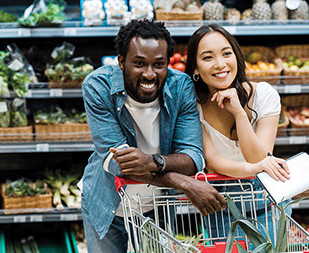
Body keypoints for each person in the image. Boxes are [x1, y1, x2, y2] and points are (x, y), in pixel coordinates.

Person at [80, 19, 227, 253]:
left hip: (157, 205)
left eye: (159, 64)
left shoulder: (181, 87)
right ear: (121, 62)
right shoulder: (98, 86)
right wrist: (182, 181)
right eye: (139, 63)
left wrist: (151, 162)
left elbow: (193, 156)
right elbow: (115, 163)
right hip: (106, 201)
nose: (149, 74)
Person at [185, 24, 292, 242]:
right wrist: (254, 168)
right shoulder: (192, 106)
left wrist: (239, 114)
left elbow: (259, 157)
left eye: (227, 53)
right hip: (221, 208)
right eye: (208, 58)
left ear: (236, 56)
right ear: (195, 68)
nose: (220, 64)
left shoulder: (264, 95)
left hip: (268, 204)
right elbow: (213, 161)